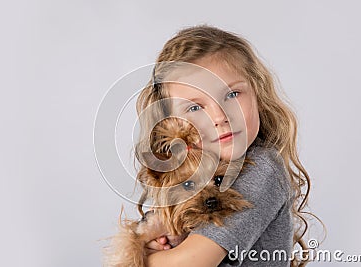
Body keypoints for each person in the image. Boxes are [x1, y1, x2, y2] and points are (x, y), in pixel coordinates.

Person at [134, 25, 321, 267]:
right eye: (195, 107)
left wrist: (146, 257)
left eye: (232, 94)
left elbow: (190, 263)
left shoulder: (262, 169)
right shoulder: (187, 179)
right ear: (171, 124)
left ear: (257, 94)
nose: (220, 116)